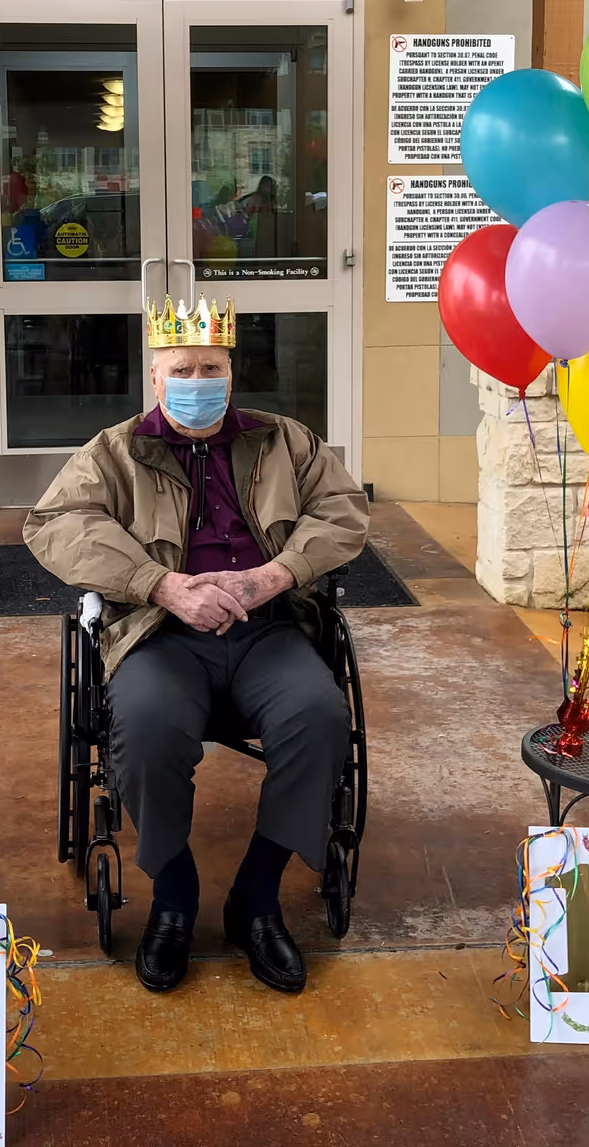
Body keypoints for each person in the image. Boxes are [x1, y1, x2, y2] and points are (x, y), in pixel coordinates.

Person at [25, 296, 368, 995]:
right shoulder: (113, 451)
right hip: (161, 634)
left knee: (321, 716)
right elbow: (53, 523)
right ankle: (175, 895)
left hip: (266, 627)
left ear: (232, 373)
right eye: (182, 368)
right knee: (145, 727)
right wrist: (159, 584)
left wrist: (275, 575)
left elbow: (343, 512)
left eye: (211, 366)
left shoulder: (285, 442)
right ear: (156, 379)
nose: (198, 378)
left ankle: (257, 898)